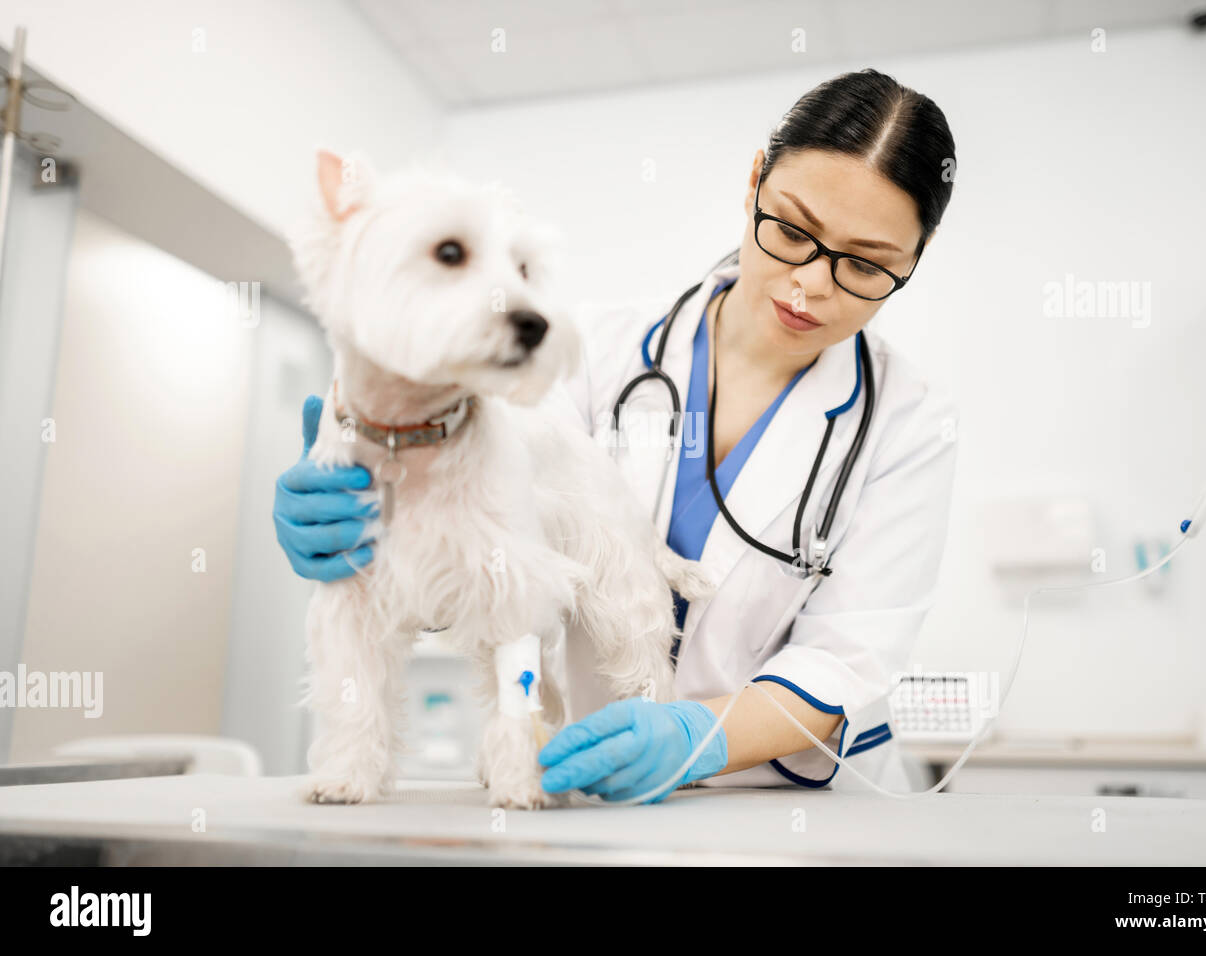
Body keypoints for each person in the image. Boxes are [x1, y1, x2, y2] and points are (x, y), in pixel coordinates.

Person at [274, 68, 959, 803]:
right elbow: (479, 558)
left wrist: (699, 738)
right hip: (579, 780)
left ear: (913, 261)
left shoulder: (908, 423)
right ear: (756, 180)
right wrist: (368, 499)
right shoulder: (596, 353)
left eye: (865, 265)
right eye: (792, 231)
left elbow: (847, 656)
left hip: (794, 803)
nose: (811, 285)